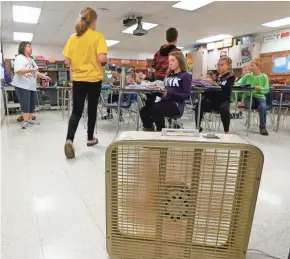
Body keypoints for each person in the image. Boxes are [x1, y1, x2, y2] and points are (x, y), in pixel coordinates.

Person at [63, 7, 108, 159]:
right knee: (92, 108)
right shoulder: (98, 37)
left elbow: (67, 61)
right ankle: (90, 138)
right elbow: (102, 59)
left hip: (78, 80)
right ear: (93, 21)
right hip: (94, 79)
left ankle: (69, 139)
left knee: (76, 111)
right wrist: (104, 61)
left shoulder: (72, 38)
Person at [140, 51, 191, 131]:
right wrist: (157, 91)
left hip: (176, 105)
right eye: (169, 61)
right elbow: (165, 93)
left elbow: (187, 96)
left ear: (180, 61)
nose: (170, 63)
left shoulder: (185, 76)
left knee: (155, 109)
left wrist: (170, 93)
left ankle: (160, 131)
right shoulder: (168, 76)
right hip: (165, 102)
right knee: (144, 110)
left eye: (173, 60)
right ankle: (149, 130)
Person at [12, 41, 51, 129]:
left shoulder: (31, 60)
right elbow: (18, 71)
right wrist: (31, 70)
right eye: (28, 46)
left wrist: (45, 76)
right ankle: (25, 121)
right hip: (22, 85)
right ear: (23, 48)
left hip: (31, 86)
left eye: (31, 46)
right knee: (25, 104)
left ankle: (29, 120)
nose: (31, 48)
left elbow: (36, 72)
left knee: (31, 104)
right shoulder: (19, 58)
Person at [196, 56, 235, 134]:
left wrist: (214, 83)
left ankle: (226, 130)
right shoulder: (215, 77)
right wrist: (203, 84)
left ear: (228, 66)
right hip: (212, 101)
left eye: (222, 65)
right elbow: (209, 91)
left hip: (223, 100)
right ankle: (197, 127)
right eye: (218, 65)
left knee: (224, 108)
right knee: (199, 104)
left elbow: (226, 90)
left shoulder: (230, 77)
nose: (219, 67)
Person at [236, 59, 270, 136]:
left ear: (258, 67)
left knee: (262, 107)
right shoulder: (247, 75)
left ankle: (262, 127)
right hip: (249, 96)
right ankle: (252, 106)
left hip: (260, 96)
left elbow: (266, 89)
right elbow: (238, 83)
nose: (250, 66)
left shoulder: (264, 77)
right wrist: (243, 87)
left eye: (252, 65)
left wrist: (260, 88)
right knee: (249, 104)